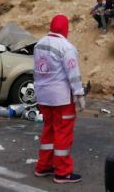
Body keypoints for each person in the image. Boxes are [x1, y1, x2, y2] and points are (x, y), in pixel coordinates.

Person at [33, 15, 85, 184]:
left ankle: (44, 166)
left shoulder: (39, 44)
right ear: (65, 28)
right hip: (61, 98)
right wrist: (79, 94)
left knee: (48, 130)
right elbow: (73, 74)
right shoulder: (66, 47)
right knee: (63, 132)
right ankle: (62, 172)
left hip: (43, 96)